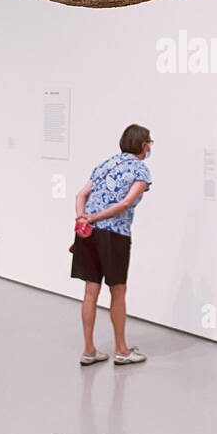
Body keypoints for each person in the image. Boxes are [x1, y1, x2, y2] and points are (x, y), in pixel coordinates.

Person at [72, 124, 152, 366]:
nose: (150, 147)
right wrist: (95, 218)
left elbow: (80, 196)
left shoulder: (106, 163)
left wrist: (83, 219)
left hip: (88, 234)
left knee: (90, 291)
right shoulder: (141, 170)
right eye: (149, 142)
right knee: (118, 291)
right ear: (142, 145)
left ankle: (89, 350)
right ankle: (122, 350)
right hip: (114, 235)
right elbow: (127, 203)